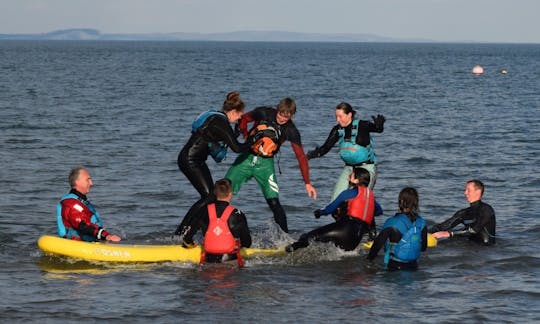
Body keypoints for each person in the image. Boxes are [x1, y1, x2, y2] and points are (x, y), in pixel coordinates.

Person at [225, 97, 317, 233]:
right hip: (246, 157)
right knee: (222, 193)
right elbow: (243, 119)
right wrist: (245, 135)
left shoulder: (291, 130)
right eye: (280, 114)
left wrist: (307, 183)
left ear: (291, 116)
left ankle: (285, 239)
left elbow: (301, 158)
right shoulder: (264, 113)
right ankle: (210, 229)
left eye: (286, 117)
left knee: (274, 202)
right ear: (277, 109)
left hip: (265, 164)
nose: (282, 119)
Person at [175, 91, 255, 237]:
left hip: (196, 161)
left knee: (210, 197)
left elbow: (226, 142)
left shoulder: (218, 119)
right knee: (209, 198)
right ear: (232, 111)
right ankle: (182, 233)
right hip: (190, 160)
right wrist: (252, 141)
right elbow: (237, 148)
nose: (239, 118)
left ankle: (201, 230)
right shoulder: (220, 122)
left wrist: (236, 135)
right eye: (239, 115)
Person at [285, 167, 382, 252]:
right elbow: (379, 211)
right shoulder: (371, 197)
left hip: (345, 228)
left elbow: (330, 209)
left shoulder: (349, 193)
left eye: (351, 176)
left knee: (307, 237)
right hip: (357, 237)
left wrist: (319, 212)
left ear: (356, 181)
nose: (348, 177)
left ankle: (290, 248)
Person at [306, 102, 385, 198]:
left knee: (362, 200)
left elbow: (378, 129)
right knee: (336, 198)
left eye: (340, 116)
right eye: (336, 116)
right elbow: (325, 148)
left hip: (366, 169)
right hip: (349, 168)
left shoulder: (362, 125)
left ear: (349, 115)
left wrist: (379, 125)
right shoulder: (337, 130)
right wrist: (310, 155)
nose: (337, 120)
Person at [182, 178, 252, 266]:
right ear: (230, 194)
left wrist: (191, 245)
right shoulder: (238, 214)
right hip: (231, 263)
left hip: (208, 262)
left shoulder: (204, 211)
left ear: (215, 193)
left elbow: (187, 237)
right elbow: (247, 243)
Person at [367, 187, 427, 271]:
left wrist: (368, 262)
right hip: (413, 266)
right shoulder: (422, 223)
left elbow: (377, 245)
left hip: (394, 267)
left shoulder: (392, 222)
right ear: (416, 203)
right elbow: (423, 248)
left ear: (401, 202)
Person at [56, 167, 121, 242]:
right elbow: (83, 225)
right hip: (75, 244)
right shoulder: (71, 203)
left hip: (89, 242)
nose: (91, 183)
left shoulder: (82, 202)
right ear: (77, 182)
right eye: (88, 179)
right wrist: (106, 235)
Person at [430, 179, 496, 245]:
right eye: (465, 190)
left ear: (478, 192)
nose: (465, 193)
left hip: (486, 250)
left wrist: (450, 234)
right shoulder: (463, 213)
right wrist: (424, 232)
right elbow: (444, 226)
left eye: (468, 190)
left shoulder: (487, 210)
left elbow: (474, 230)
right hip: (469, 246)